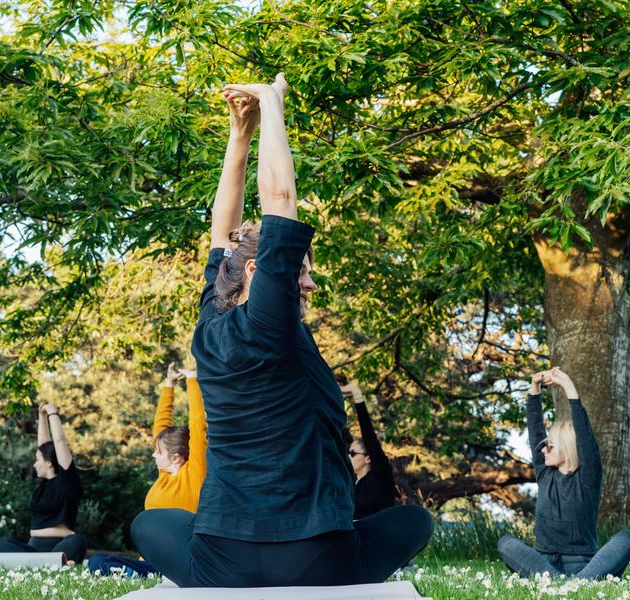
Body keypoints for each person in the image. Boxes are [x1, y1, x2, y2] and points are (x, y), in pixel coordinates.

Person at [130, 73, 433, 588]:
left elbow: (219, 226)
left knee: (151, 524)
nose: (310, 283)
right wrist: (272, 105)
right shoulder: (270, 321)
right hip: (320, 559)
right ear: (259, 274)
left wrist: (239, 136)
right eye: (303, 271)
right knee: (414, 522)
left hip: (224, 560)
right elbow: (280, 197)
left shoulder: (211, 323)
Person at [497, 367, 630, 579]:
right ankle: (559, 582)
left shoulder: (589, 477)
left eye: (551, 445)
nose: (544, 449)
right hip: (543, 561)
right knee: (506, 543)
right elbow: (535, 429)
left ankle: (575, 582)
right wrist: (534, 388)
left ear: (567, 448)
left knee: (628, 538)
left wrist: (568, 386)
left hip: (583, 564)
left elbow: (585, 438)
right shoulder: (545, 473)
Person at [89, 363, 207, 577]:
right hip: (151, 562)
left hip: (178, 563)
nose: (153, 455)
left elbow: (197, 424)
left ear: (177, 458)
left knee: (102, 565)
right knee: (97, 561)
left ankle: (147, 575)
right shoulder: (164, 476)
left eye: (158, 452)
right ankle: (141, 574)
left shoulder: (195, 473)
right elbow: (160, 425)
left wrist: (192, 380)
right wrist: (168, 385)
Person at [0, 402, 86, 564]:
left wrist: (51, 411)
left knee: (77, 541)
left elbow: (59, 441)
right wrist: (41, 416)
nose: (35, 464)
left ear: (49, 463)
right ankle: (51, 563)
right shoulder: (42, 485)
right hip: (33, 549)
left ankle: (51, 561)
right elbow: (44, 445)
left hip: (61, 545)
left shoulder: (66, 481)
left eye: (37, 460)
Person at [341, 382, 396, 519]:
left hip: (378, 537)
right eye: (349, 452)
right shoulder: (352, 483)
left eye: (353, 454)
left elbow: (369, 437)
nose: (348, 456)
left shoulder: (379, 477)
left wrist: (357, 396)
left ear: (368, 458)